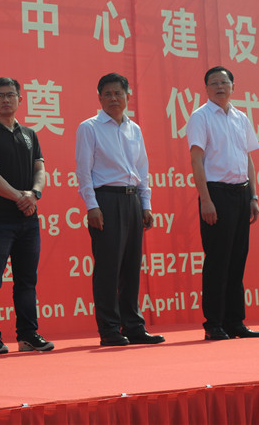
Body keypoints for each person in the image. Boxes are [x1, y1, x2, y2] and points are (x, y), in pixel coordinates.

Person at [75, 72, 164, 347]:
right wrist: (92, 206)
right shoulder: (89, 128)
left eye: (118, 93)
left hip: (132, 199)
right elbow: (84, 171)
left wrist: (146, 204)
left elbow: (142, 169)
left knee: (131, 267)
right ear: (99, 98)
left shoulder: (134, 129)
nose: (113, 98)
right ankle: (110, 328)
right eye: (108, 94)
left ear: (128, 96)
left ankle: (134, 326)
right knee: (108, 268)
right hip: (106, 200)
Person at [0, 77, 54, 355]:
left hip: (28, 219)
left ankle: (28, 335)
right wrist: (20, 197)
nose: (6, 100)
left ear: (20, 99)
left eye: (10, 95)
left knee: (27, 281)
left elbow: (39, 169)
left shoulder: (30, 134)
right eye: (0, 96)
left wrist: (34, 194)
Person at [187, 66, 259, 341]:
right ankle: (214, 323)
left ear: (233, 86)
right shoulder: (201, 117)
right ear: (206, 88)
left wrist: (253, 196)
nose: (220, 87)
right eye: (214, 83)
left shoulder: (241, 118)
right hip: (216, 194)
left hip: (241, 194)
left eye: (224, 82)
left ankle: (235, 321)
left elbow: (248, 158)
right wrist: (206, 199)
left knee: (237, 259)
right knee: (218, 260)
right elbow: (196, 160)